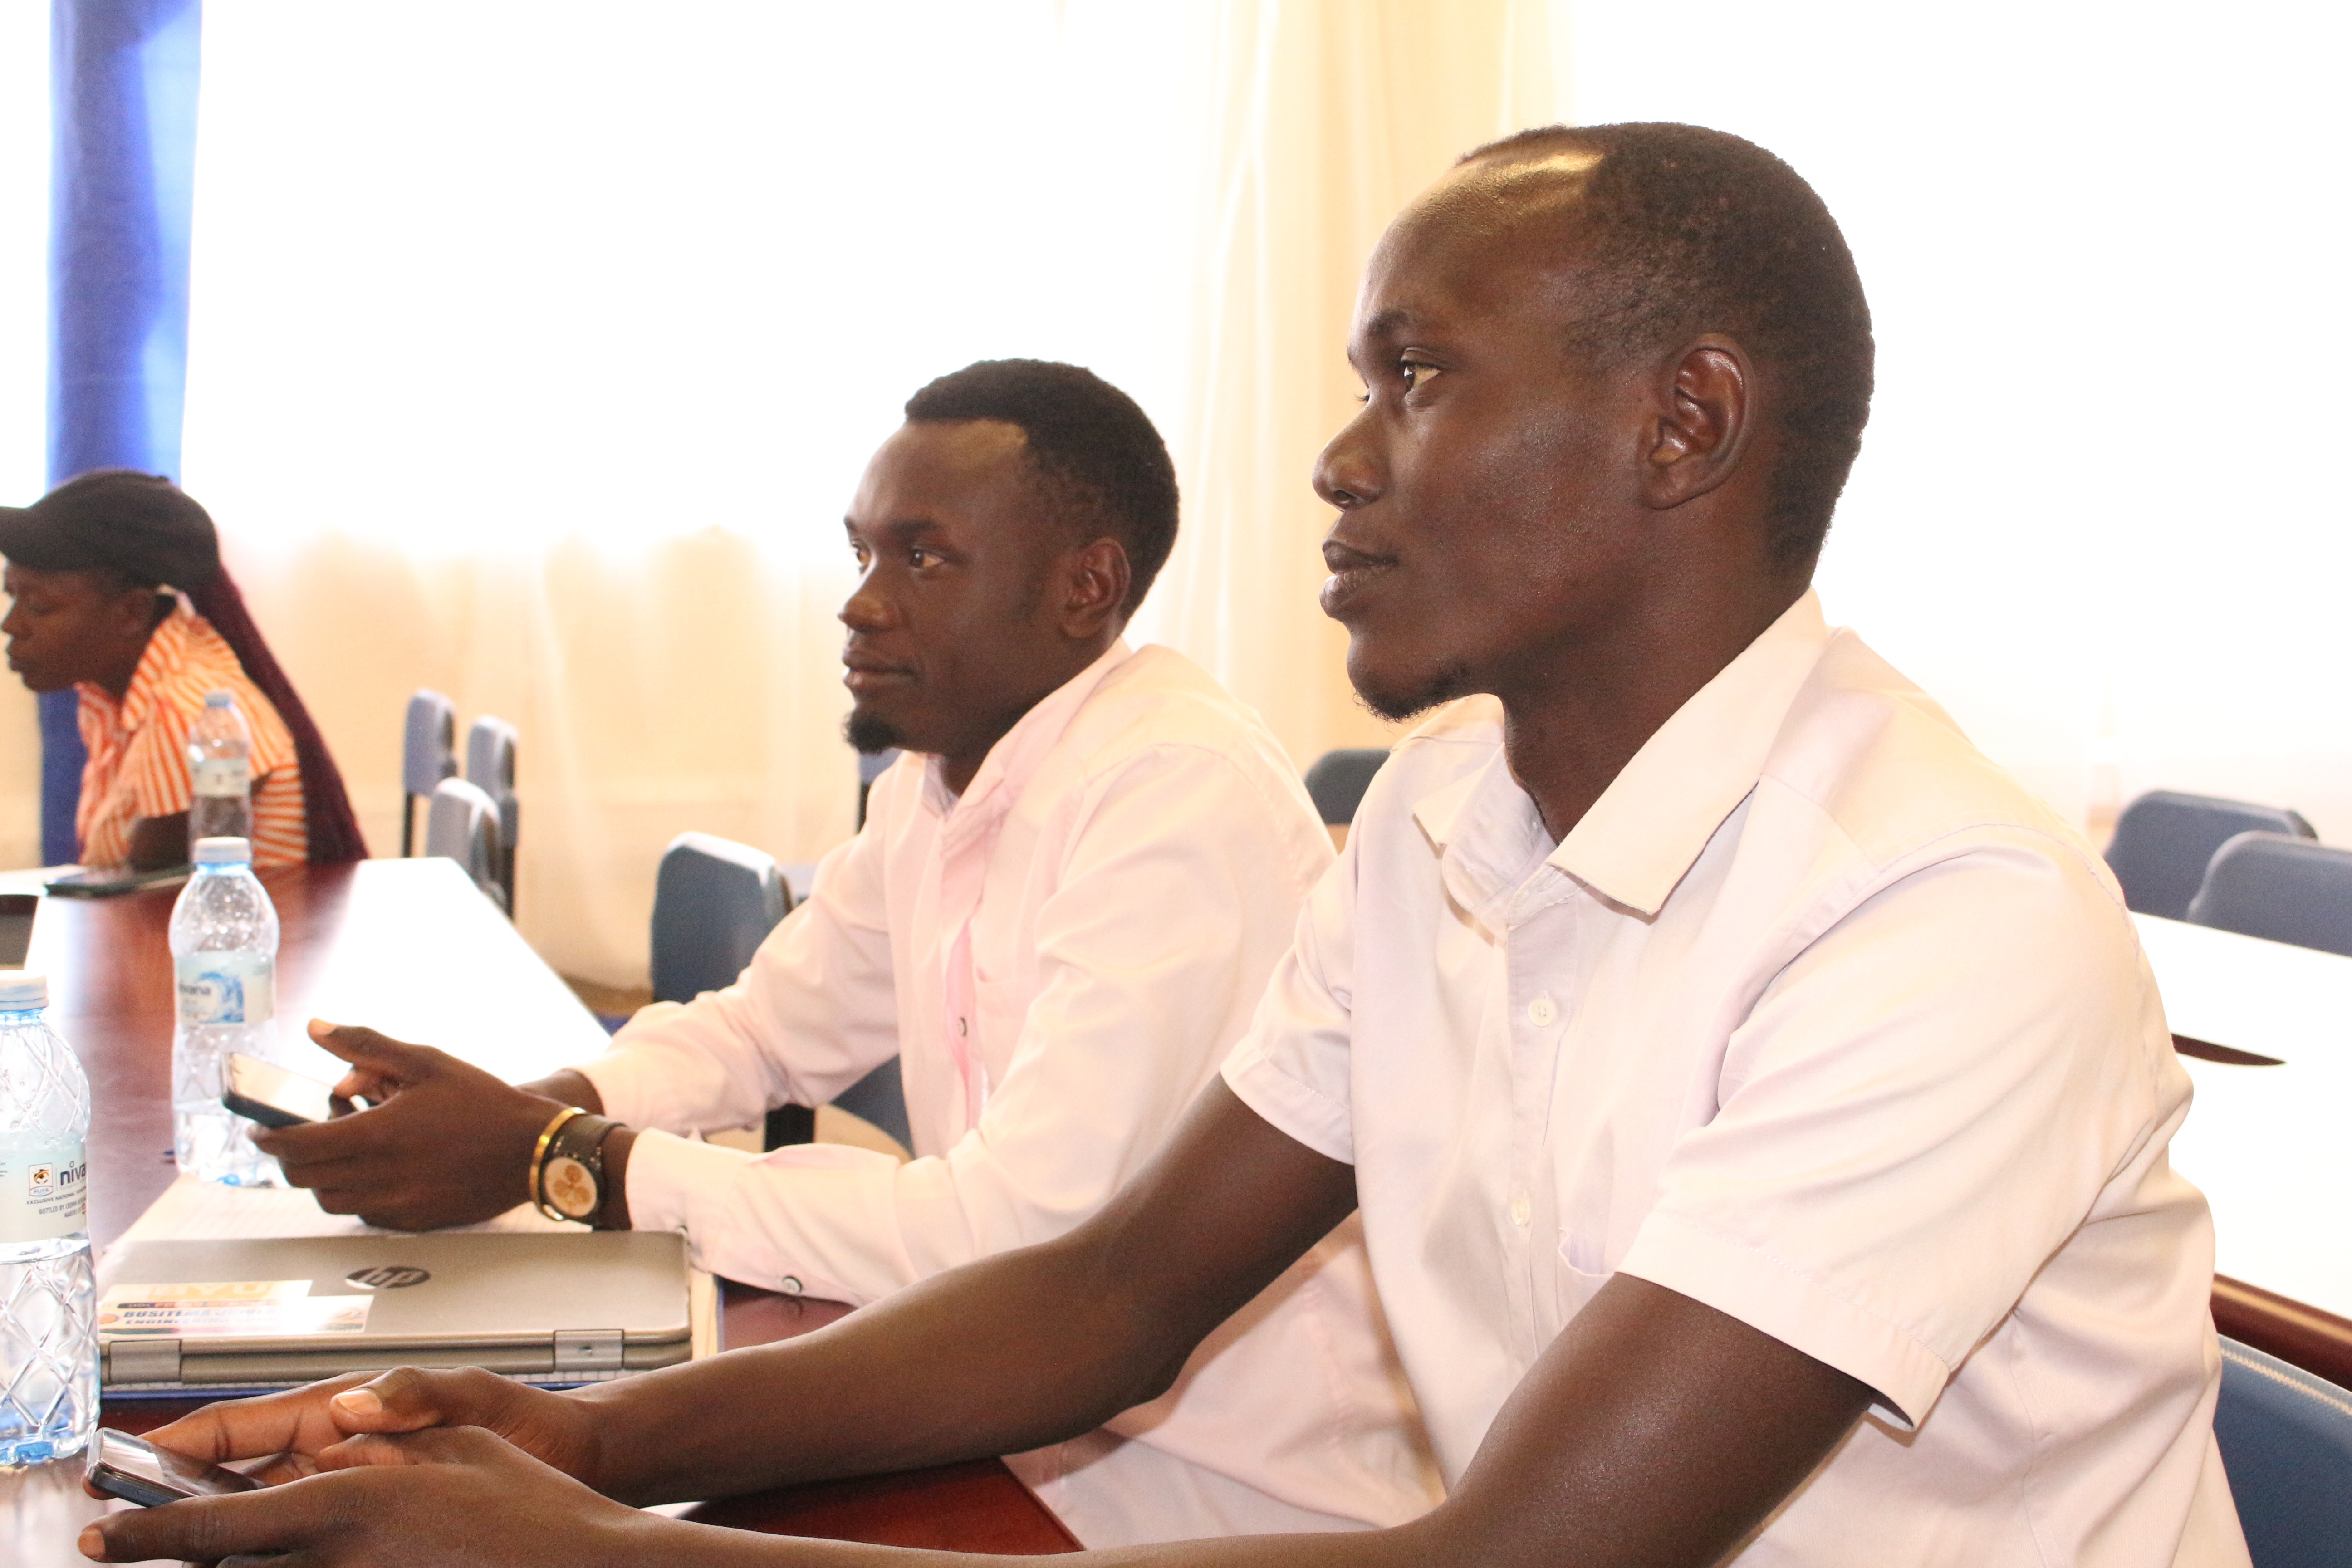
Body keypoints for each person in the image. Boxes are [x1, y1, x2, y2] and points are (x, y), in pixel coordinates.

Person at [87, 125, 2249, 1568]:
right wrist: (581, 1441)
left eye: (1416, 377)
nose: (1339, 460)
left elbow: (1523, 1559)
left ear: (1680, 424)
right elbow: (1115, 1289)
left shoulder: (1932, 911)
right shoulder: (1436, 821)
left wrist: (597, 1551)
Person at [243, 359, 1440, 1547]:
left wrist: (568, 1161)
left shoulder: (1172, 789)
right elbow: (766, 1030)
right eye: (862, 552)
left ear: (1087, 587)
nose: (862, 604)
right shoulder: (941, 778)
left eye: (924, 559)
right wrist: (524, 1112)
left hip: (1202, 1502)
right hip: (999, 1425)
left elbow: (1013, 1236)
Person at [0, 470, 367, 867]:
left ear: (132, 612)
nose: (11, 625)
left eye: (39, 606)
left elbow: (141, 894)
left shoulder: (186, 712)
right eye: (12, 597)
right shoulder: (116, 694)